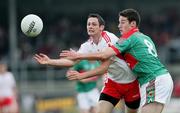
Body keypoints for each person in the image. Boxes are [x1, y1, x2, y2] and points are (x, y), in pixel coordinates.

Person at [60, 9, 174, 113]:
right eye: (119, 22)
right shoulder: (145, 37)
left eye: (122, 22)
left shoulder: (127, 39)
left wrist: (79, 56)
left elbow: (104, 54)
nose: (119, 26)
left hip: (153, 80)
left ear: (133, 24)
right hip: (158, 78)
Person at [34, 13, 141, 113]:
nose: (90, 26)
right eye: (88, 24)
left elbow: (104, 66)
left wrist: (82, 74)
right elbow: (71, 62)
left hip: (130, 82)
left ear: (101, 27)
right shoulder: (87, 45)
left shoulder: (109, 39)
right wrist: (49, 61)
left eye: (94, 24)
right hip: (112, 83)